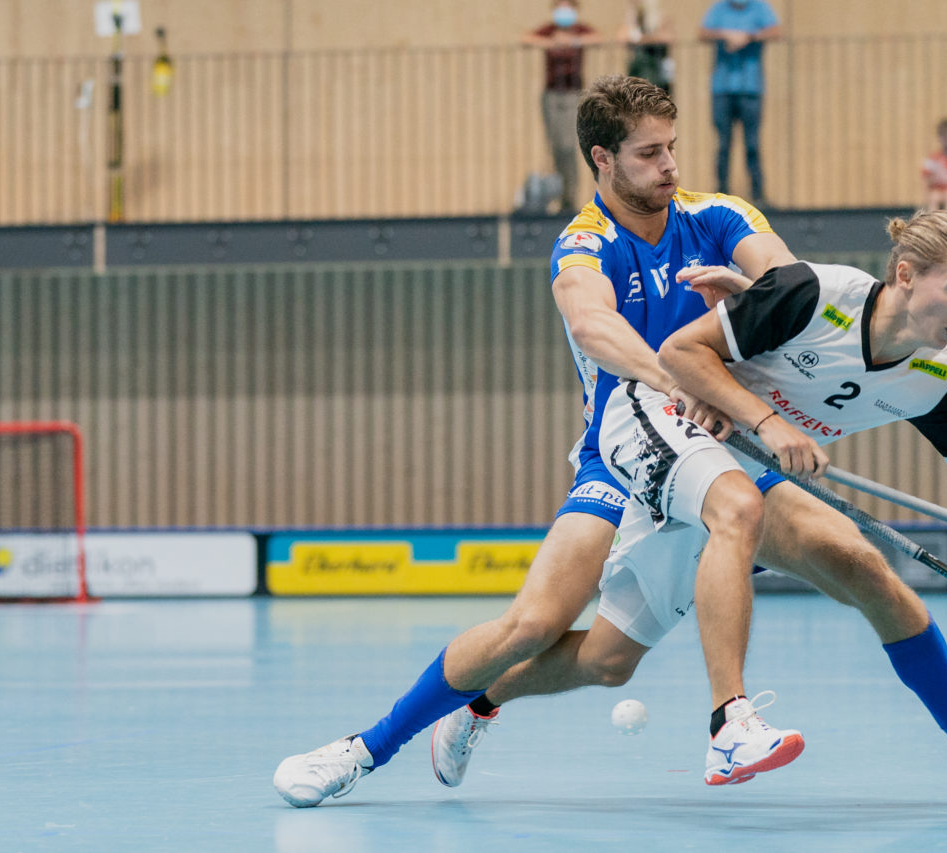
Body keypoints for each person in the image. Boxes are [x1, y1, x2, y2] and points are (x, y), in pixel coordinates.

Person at [426, 210, 947, 806]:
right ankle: (728, 724)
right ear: (905, 274)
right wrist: (768, 423)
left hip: (750, 473)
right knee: (614, 630)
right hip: (684, 438)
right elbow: (682, 354)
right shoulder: (817, 292)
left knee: (626, 654)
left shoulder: (938, 374)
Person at [272, 74, 798, 807]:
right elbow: (592, 323)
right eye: (649, 153)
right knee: (534, 623)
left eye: (672, 147)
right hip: (621, 457)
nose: (670, 165)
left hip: (711, 450)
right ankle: (363, 749)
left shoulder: (717, 215)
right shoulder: (583, 244)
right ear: (602, 160)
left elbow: (791, 283)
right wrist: (677, 380)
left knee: (610, 662)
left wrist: (757, 297)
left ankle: (482, 703)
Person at [522, 1, 602, 215]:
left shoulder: (579, 29)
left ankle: (569, 197)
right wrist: (551, 43)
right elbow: (526, 38)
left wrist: (573, 41)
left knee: (568, 146)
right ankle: (559, 194)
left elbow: (597, 38)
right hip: (552, 93)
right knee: (556, 147)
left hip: (573, 93)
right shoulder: (549, 30)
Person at [699, 0, 781, 207]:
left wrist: (749, 37)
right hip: (722, 89)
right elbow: (702, 33)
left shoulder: (759, 7)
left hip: (751, 89)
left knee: (752, 144)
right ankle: (721, 194)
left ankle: (758, 195)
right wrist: (725, 34)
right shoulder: (719, 7)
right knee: (723, 144)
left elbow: (776, 31)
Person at [621, 0, 674, 94]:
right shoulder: (634, 19)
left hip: (657, 69)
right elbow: (623, 38)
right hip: (638, 69)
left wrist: (641, 39)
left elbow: (668, 38)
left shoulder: (661, 17)